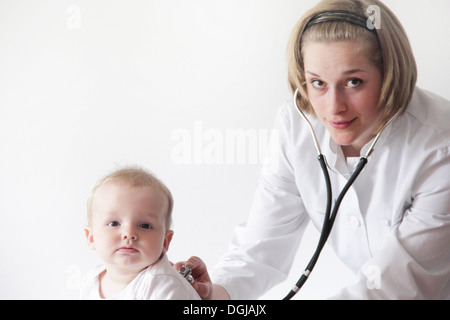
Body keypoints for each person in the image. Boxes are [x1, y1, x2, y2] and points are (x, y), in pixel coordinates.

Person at [175, 0, 450, 299]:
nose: (334, 108)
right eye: (317, 82)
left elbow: (397, 286)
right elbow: (263, 245)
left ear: (390, 76)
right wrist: (214, 294)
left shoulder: (440, 144)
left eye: (353, 81)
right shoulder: (297, 126)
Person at [80, 167, 200, 300]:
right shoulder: (91, 281)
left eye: (145, 226)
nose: (129, 234)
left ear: (165, 241)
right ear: (90, 238)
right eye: (114, 223)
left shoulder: (163, 286)